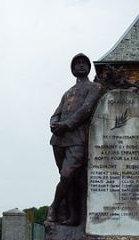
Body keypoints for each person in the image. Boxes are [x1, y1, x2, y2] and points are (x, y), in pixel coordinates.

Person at [47, 53, 101, 225]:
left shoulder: (95, 88)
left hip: (77, 138)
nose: (80, 65)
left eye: (84, 63)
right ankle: (72, 215)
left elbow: (86, 109)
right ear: (72, 69)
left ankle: (54, 207)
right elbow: (56, 113)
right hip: (59, 140)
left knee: (67, 175)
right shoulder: (67, 93)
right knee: (68, 179)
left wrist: (67, 125)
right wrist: (54, 124)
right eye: (77, 63)